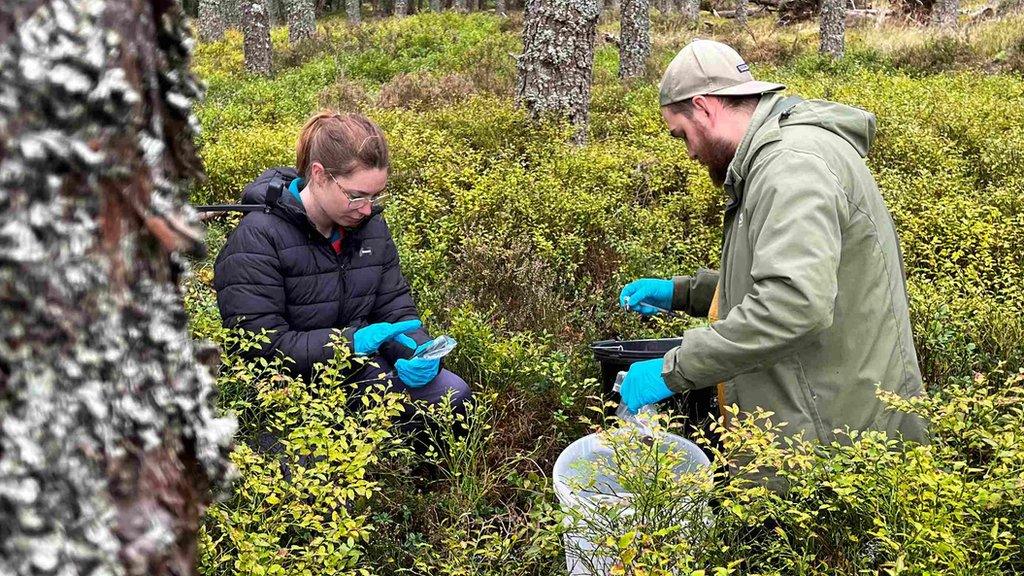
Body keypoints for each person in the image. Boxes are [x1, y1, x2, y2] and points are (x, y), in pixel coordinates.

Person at [617, 39, 927, 445]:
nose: (689, 152)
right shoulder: (774, 159)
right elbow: (790, 277)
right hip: (829, 411)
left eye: (682, 135)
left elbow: (793, 304)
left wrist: (673, 370)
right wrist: (683, 293)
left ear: (705, 107)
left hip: (838, 437)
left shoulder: (791, 166)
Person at [214, 111, 472, 441]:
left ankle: (422, 483)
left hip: (358, 369)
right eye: (356, 195)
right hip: (286, 388)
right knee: (311, 471)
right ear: (319, 175)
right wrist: (350, 342)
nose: (367, 208)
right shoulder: (257, 240)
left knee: (454, 397)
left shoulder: (369, 227)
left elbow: (395, 308)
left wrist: (416, 351)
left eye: (375, 195)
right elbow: (259, 349)